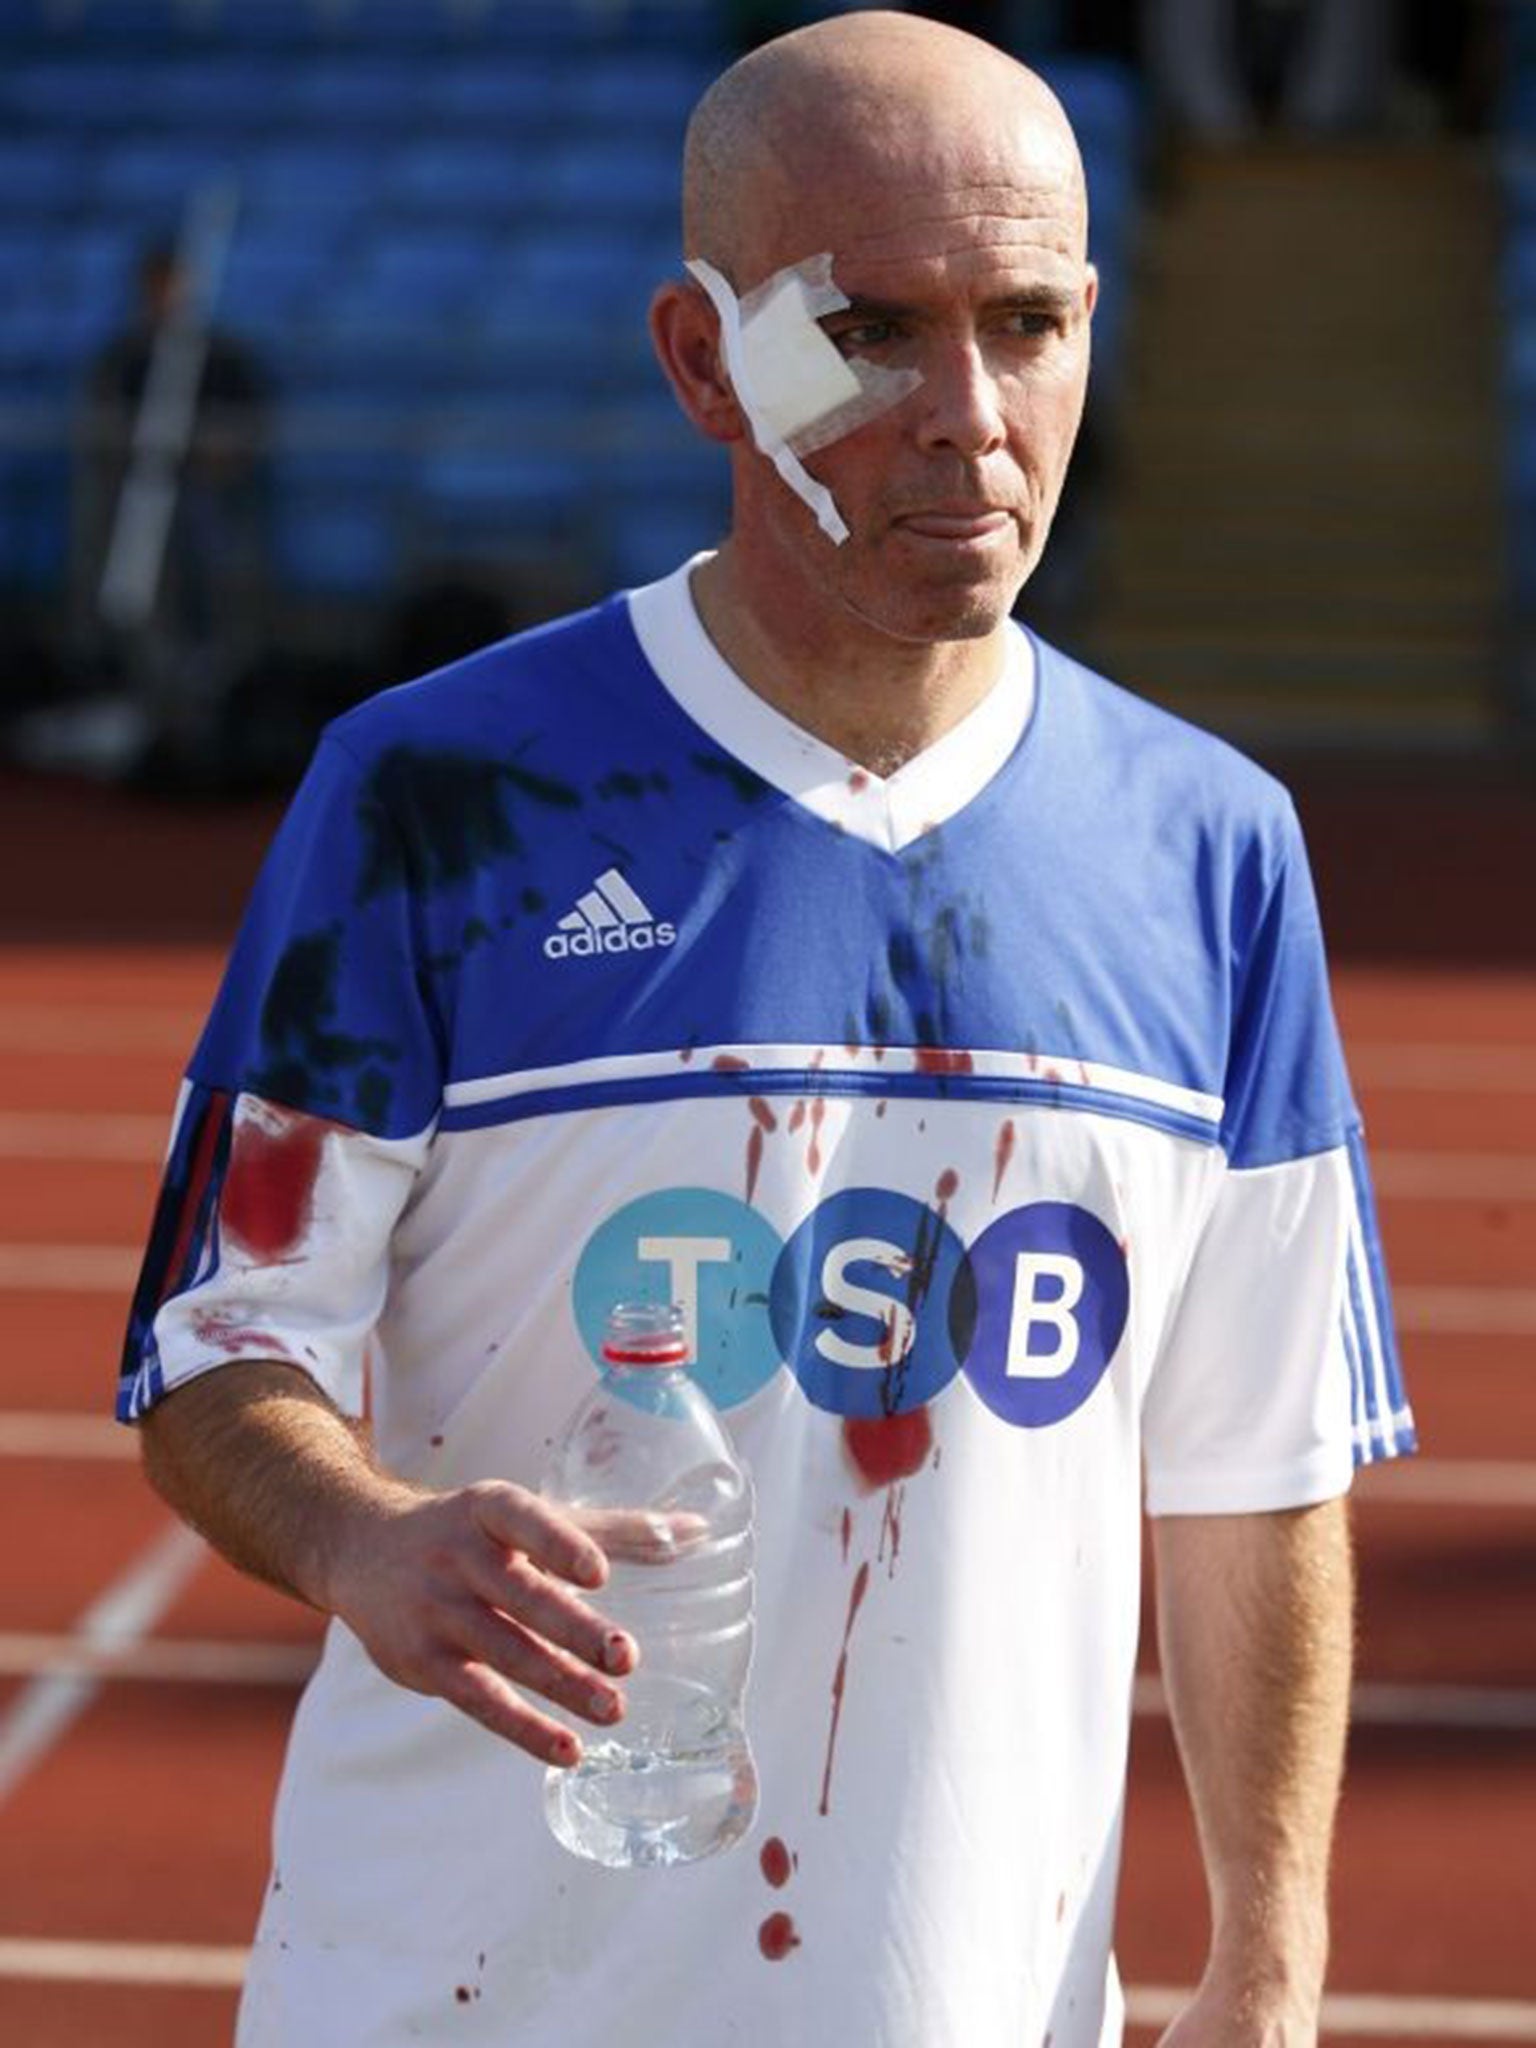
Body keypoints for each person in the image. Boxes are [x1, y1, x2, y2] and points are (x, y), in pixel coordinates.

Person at [118, 14, 1414, 2046]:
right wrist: (361, 1533)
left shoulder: (1215, 856)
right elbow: (215, 1341)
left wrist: (1272, 1944)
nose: (969, 414)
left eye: (1028, 323)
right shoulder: (435, 800)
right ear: (703, 356)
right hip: (454, 2002)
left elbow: (1259, 1476)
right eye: (872, 330)